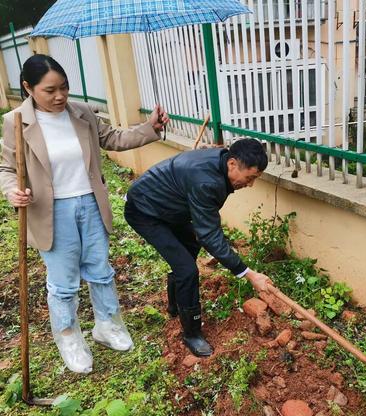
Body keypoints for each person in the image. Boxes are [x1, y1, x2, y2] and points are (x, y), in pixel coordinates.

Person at [0, 54, 169, 374]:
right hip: (51, 211)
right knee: (63, 283)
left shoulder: (81, 113)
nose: (60, 96)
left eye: (64, 87)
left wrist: (150, 128)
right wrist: (11, 189)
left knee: (100, 271)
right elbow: (7, 167)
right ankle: (69, 337)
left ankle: (107, 325)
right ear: (28, 87)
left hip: (90, 204)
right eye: (50, 90)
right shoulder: (16, 122)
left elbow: (113, 138)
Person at [124, 138, 272, 357]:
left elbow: (204, 232)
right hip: (145, 211)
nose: (250, 184)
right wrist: (248, 273)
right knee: (187, 270)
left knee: (190, 245)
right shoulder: (207, 182)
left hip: (167, 206)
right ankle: (191, 333)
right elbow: (210, 235)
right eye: (249, 178)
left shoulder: (220, 161)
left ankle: (175, 305)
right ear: (232, 164)